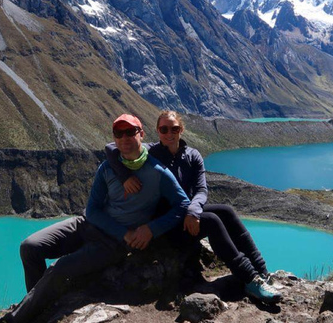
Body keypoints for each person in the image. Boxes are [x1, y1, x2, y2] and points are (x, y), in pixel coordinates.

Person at [3, 114, 189, 323]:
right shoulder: (108, 168)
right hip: (87, 225)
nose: (124, 138)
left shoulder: (158, 172)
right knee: (29, 247)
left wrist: (151, 229)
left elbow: (182, 204)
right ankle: (38, 308)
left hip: (113, 244)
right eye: (119, 133)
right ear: (114, 138)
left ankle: (15, 319)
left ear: (142, 134)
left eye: (130, 132)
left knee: (59, 269)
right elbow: (92, 210)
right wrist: (125, 232)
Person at [105, 110, 282, 304]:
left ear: (181, 130)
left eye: (174, 128)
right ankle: (250, 279)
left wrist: (193, 211)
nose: (169, 133)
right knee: (213, 221)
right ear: (157, 131)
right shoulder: (150, 153)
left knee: (226, 211)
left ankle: (262, 270)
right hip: (164, 225)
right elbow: (110, 147)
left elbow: (201, 189)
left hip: (186, 215)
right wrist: (125, 176)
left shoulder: (192, 155)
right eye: (164, 129)